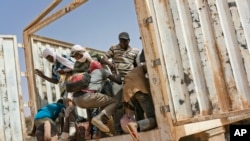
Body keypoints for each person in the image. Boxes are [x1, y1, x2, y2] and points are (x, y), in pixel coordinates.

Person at [66, 61, 122, 136]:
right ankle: (98, 118)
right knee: (114, 102)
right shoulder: (102, 71)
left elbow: (88, 109)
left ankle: (102, 132)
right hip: (88, 97)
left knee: (104, 105)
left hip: (77, 100)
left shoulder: (88, 76)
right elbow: (118, 81)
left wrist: (90, 123)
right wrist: (116, 70)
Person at [100, 32, 139, 135]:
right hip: (117, 79)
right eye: (121, 40)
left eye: (124, 41)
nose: (122, 42)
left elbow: (137, 66)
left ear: (128, 41)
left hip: (131, 79)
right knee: (118, 105)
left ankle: (137, 126)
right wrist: (110, 64)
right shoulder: (114, 48)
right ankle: (118, 130)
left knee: (135, 102)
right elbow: (102, 58)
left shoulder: (135, 51)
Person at [123, 51, 156, 141]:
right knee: (153, 117)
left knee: (139, 113)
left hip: (128, 93)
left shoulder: (135, 70)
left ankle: (137, 131)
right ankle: (135, 125)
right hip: (138, 90)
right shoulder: (145, 67)